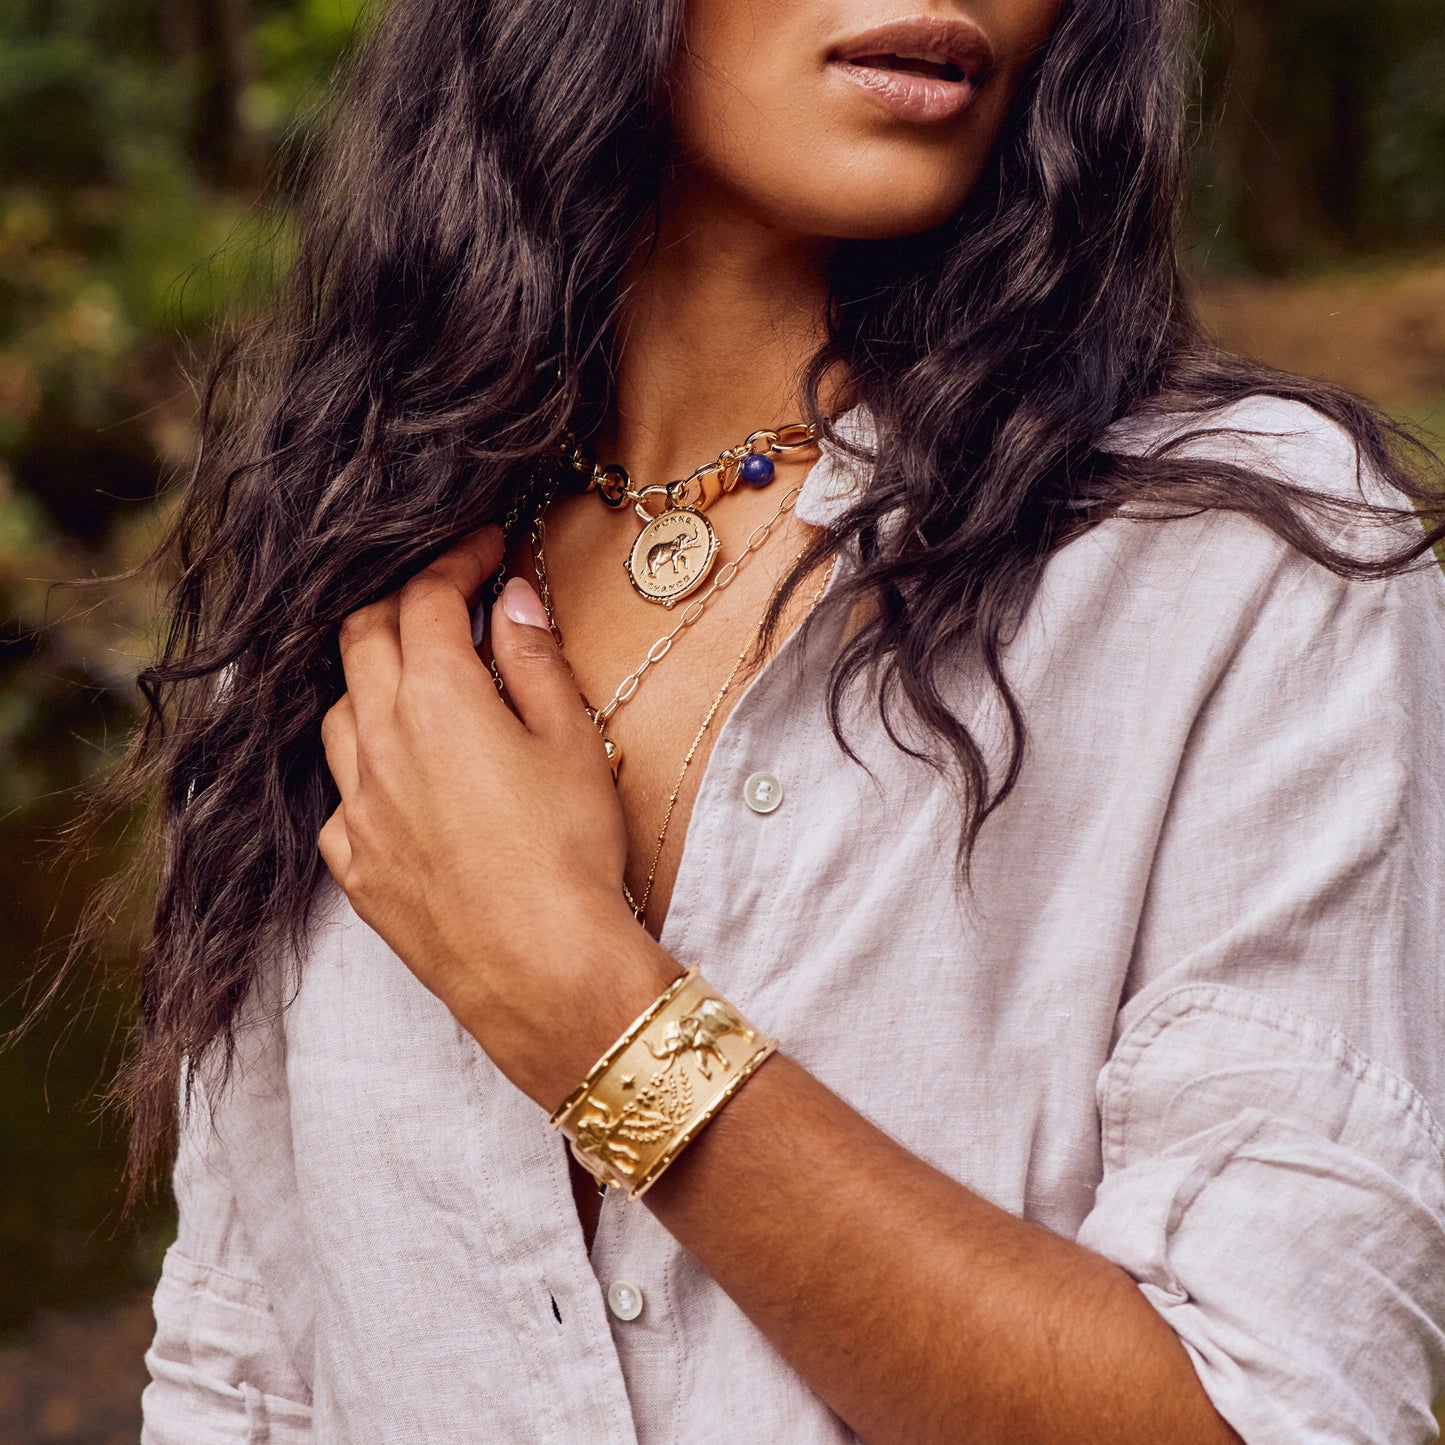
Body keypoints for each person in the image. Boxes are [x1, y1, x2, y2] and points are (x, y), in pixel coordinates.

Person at [107, 0, 1445, 1439]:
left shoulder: (1236, 563)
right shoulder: (357, 553)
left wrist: (590, 1011)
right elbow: (244, 1368)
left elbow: (1275, 1409)